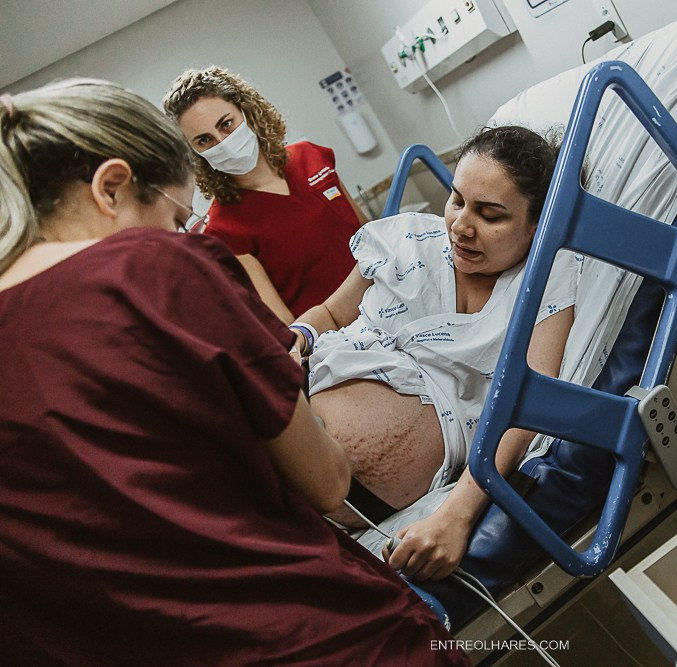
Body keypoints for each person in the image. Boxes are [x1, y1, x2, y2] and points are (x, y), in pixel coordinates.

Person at [0, 80, 467, 665]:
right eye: (175, 219)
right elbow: (326, 483)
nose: (178, 235)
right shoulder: (159, 271)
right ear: (112, 188)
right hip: (306, 634)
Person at [291, 125, 581, 581]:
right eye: (457, 200)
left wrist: (456, 516)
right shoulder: (406, 238)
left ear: (537, 223)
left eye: (490, 214)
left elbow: (528, 408)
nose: (461, 226)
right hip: (292, 403)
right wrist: (297, 336)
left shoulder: (544, 281)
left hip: (343, 494)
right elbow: (329, 312)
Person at [163, 66, 368, 322]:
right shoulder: (223, 230)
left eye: (226, 124)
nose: (222, 143)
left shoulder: (310, 155)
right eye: (205, 140)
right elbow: (288, 326)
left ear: (247, 112)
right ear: (194, 153)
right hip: (346, 335)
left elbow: (369, 233)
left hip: (394, 298)